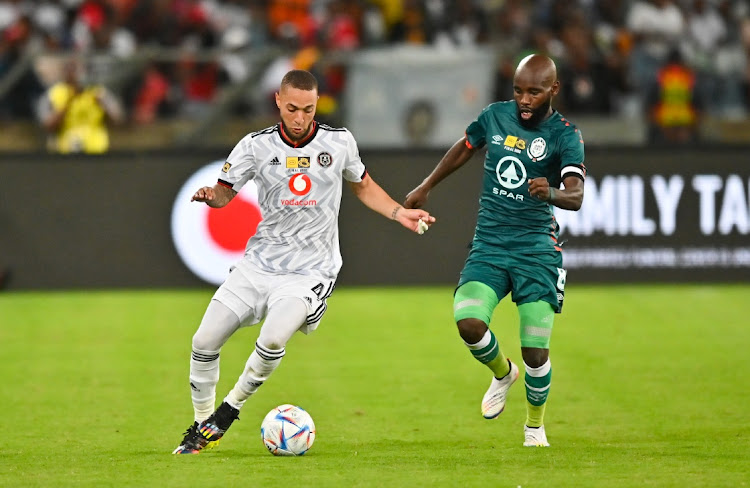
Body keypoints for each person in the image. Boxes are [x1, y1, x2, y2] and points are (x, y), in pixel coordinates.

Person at [173, 69, 435, 454]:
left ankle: (229, 411)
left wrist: (400, 213)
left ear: (318, 105)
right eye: (292, 108)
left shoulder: (339, 142)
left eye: (308, 110)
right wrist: (212, 196)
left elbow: (363, 185)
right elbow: (225, 194)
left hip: (311, 269)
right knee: (203, 340)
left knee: (274, 337)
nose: (299, 118)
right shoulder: (255, 146)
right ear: (278, 101)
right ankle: (200, 427)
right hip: (260, 263)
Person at [404, 54, 585, 447]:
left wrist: (550, 192)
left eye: (534, 92)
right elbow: (465, 146)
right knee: (468, 322)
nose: (524, 99)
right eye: (518, 90)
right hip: (490, 243)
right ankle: (503, 373)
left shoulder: (565, 136)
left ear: (553, 90)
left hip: (536, 250)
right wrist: (426, 185)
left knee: (536, 352)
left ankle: (534, 426)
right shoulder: (495, 117)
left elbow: (576, 195)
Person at [37, 58, 123, 154]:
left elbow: (117, 121)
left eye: (79, 71)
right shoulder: (54, 94)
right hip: (65, 151)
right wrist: (68, 103)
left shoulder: (98, 92)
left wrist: (103, 105)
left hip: (97, 150)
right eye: (72, 71)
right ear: (65, 73)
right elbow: (48, 126)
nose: (76, 76)